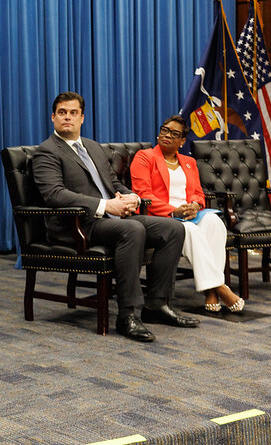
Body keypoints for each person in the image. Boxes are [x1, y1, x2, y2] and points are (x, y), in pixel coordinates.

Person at [32, 92, 199, 342]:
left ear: (82, 118)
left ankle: (156, 305)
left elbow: (113, 182)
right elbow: (54, 195)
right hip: (78, 224)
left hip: (111, 217)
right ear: (53, 117)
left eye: (73, 113)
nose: (68, 117)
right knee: (133, 229)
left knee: (172, 229)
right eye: (62, 113)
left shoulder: (92, 146)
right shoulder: (46, 152)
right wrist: (104, 206)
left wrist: (131, 196)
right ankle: (127, 315)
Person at [130, 115, 245, 313]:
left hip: (189, 214)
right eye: (164, 130)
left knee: (214, 223)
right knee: (190, 230)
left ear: (182, 141)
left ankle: (211, 292)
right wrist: (173, 210)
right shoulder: (144, 157)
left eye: (174, 134)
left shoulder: (189, 162)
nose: (167, 135)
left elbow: (198, 193)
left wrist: (194, 205)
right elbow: (143, 195)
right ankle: (219, 287)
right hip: (162, 217)